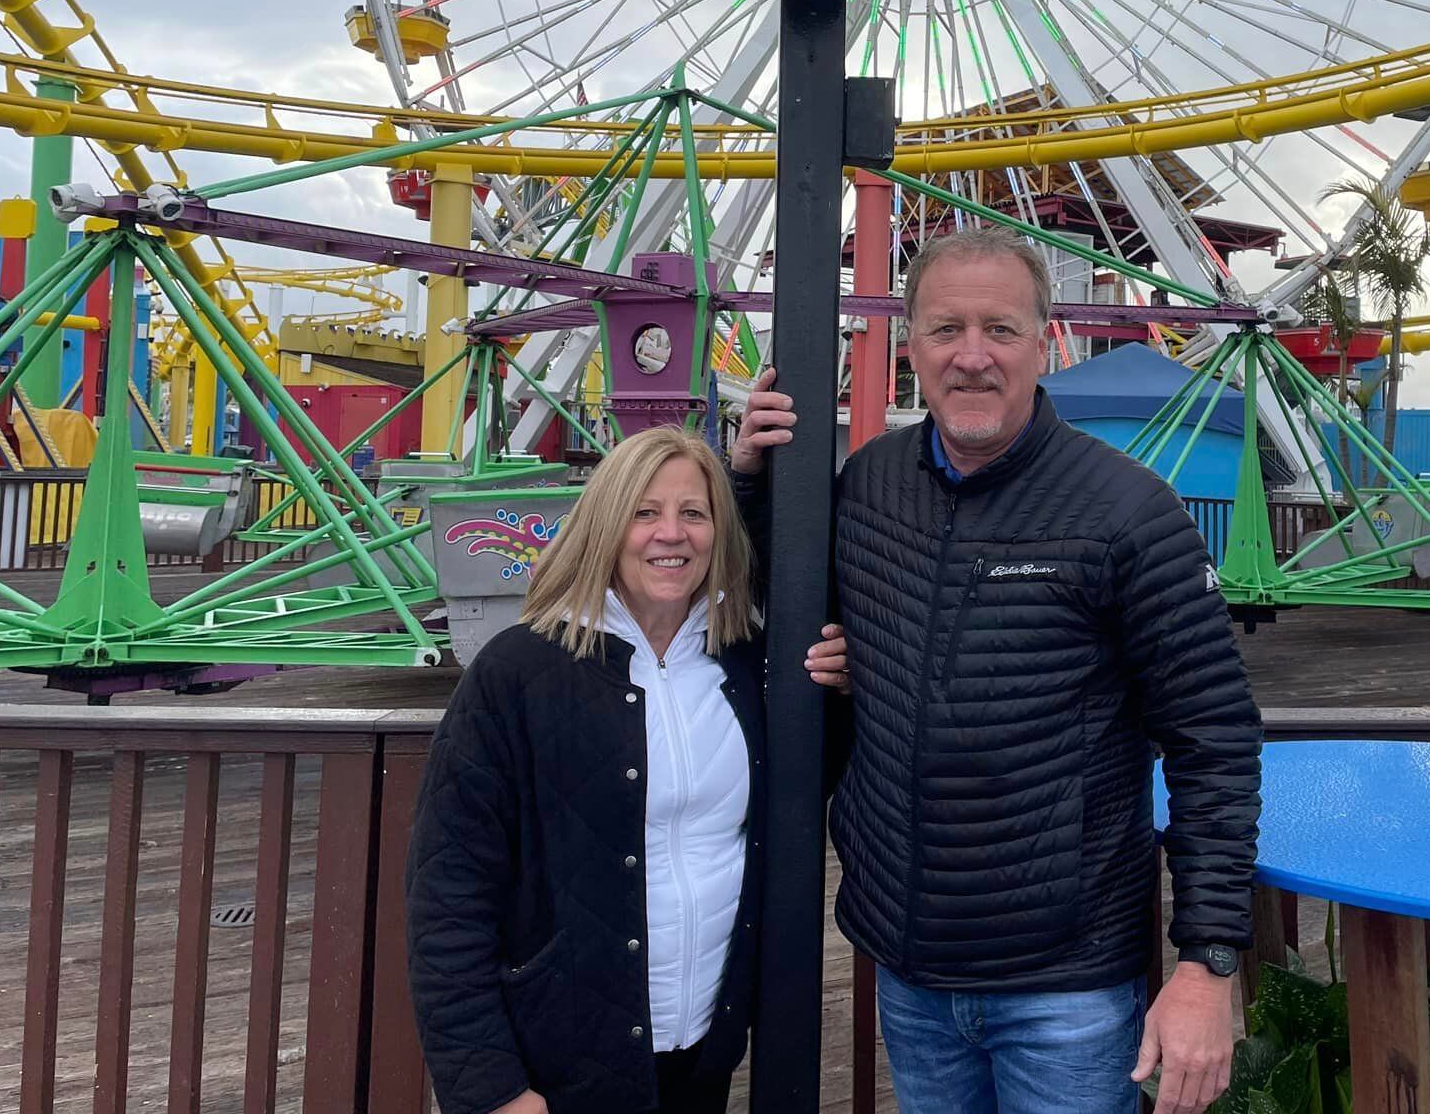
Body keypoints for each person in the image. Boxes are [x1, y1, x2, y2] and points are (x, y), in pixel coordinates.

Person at [733, 227, 1262, 1114]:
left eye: (1000, 330)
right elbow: (783, 606)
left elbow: (1213, 742)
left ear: (1044, 341)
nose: (971, 357)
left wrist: (1207, 964)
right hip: (909, 965)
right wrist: (750, 482)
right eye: (946, 330)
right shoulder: (869, 484)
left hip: (1068, 985)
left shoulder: (1130, 513)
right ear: (910, 347)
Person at [405, 424, 849, 1114]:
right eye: (645, 512)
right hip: (559, 1063)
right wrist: (489, 1086)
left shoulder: (748, 668)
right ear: (606, 526)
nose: (670, 534)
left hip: (706, 1049)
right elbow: (449, 893)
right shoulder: (518, 671)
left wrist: (841, 692)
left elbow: (805, 790)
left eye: (692, 514)